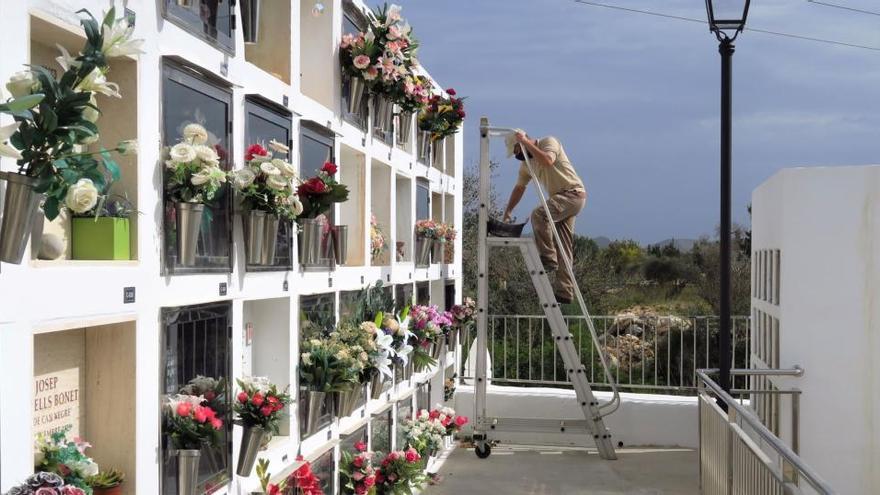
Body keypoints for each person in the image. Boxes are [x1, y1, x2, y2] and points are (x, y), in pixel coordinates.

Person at [502, 130, 586, 304]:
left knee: (539, 215)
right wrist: (508, 210)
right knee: (564, 247)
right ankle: (565, 292)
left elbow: (548, 160)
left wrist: (525, 143)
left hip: (572, 194)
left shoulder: (549, 142)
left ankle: (548, 258)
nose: (517, 156)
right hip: (560, 199)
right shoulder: (526, 165)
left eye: (516, 151)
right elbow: (519, 188)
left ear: (521, 142)